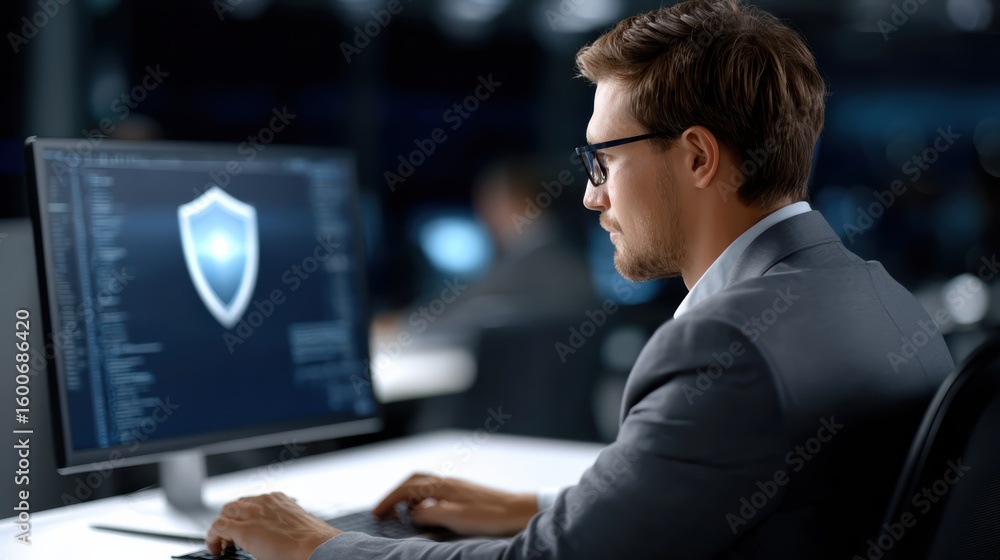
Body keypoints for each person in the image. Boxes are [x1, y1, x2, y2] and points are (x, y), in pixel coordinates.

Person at [205, 1, 955, 558]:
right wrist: (534, 507)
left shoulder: (730, 344)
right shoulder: (880, 300)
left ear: (697, 158)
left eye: (604, 162)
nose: (592, 195)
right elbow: (741, 489)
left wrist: (312, 545)